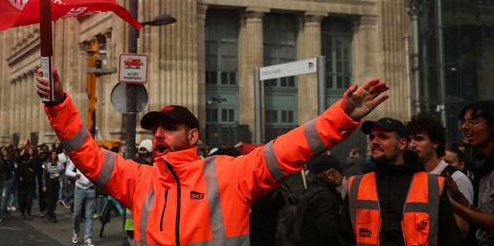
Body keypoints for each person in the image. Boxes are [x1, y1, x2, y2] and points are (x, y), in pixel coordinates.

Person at [36, 67, 389, 246]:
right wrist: (57, 103)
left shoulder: (229, 173)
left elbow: (291, 147)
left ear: (193, 136)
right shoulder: (139, 180)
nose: (158, 135)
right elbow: (86, 153)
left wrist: (343, 117)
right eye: (155, 129)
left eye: (169, 128)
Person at [338, 117, 460, 246]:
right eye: (372, 137)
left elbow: (450, 238)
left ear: (402, 144)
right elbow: (344, 238)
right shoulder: (356, 185)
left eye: (383, 137)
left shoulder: (433, 186)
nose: (374, 141)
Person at [408, 110, 474, 237]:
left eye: (419, 139)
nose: (412, 145)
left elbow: (462, 229)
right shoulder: (410, 175)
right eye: (410, 139)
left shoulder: (456, 178)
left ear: (435, 143)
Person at [444, 101, 494, 244]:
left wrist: (451, 205)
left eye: (473, 122)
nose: (465, 127)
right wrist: (459, 198)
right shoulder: (485, 166)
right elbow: (484, 215)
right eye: (464, 122)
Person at [292, 154, 344, 246]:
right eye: (340, 171)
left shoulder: (312, 191)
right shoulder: (325, 197)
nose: (343, 175)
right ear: (330, 175)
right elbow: (329, 234)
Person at [65, 158, 96, 246]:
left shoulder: (94, 159)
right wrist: (76, 174)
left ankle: (88, 238)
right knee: (76, 214)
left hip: (90, 189)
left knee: (89, 216)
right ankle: (76, 232)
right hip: (79, 189)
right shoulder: (76, 159)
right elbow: (68, 171)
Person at [42, 149, 64, 223]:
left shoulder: (59, 163)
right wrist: (44, 185)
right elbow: (44, 175)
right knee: (50, 198)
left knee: (55, 198)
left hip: (56, 182)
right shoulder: (47, 163)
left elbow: (63, 171)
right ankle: (51, 214)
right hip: (49, 182)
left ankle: (52, 211)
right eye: (53, 154)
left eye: (55, 154)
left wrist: (61, 177)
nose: (54, 156)